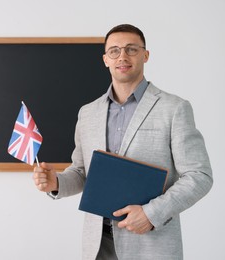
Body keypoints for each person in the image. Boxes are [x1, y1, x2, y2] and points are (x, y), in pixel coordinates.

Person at [33, 24, 213, 260]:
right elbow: (81, 172)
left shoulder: (174, 108)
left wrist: (151, 214)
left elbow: (199, 176)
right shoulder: (87, 113)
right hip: (98, 245)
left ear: (145, 55)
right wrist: (56, 182)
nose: (122, 57)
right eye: (115, 51)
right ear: (105, 59)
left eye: (131, 49)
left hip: (151, 245)